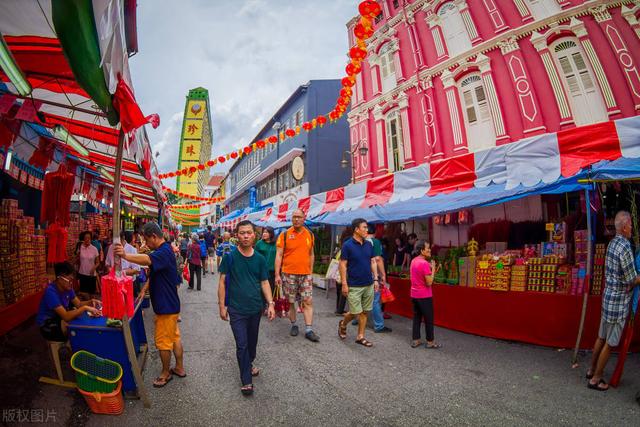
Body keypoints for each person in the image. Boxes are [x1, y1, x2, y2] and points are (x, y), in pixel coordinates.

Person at [114, 222, 184, 388]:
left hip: (166, 306)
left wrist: (125, 255)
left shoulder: (163, 252)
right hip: (171, 304)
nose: (145, 244)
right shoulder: (164, 250)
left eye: (146, 240)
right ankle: (179, 367)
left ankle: (165, 373)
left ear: (154, 236)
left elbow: (146, 259)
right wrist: (145, 288)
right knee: (174, 338)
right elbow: (154, 274)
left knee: (162, 342)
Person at [218, 220, 275, 396]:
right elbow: (222, 282)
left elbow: (265, 282)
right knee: (242, 344)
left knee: (252, 343)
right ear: (237, 235)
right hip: (236, 309)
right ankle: (246, 381)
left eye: (249, 233)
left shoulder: (259, 259)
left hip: (255, 308)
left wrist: (270, 303)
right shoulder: (230, 257)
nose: (245, 236)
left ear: (254, 235)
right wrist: (222, 305)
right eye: (242, 233)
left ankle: (248, 363)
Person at [587, 211, 640, 391]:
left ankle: (591, 369)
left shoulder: (612, 243)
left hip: (608, 297)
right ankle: (596, 379)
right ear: (624, 227)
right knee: (610, 343)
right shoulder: (624, 247)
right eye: (631, 225)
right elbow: (631, 279)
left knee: (601, 337)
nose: (632, 228)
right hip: (617, 302)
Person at [275, 209, 319, 342]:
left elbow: (311, 254)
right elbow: (279, 255)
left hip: (305, 274)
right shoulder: (284, 235)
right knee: (291, 301)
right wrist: (277, 274)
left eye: (299, 217)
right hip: (288, 273)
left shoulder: (310, 235)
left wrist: (310, 271)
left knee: (307, 301)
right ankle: (294, 324)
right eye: (294, 217)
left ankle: (309, 329)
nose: (296, 219)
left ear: (304, 218)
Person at [337, 218, 378, 347]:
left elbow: (373, 261)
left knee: (365, 311)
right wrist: (344, 284)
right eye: (364, 227)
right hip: (354, 284)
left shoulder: (368, 244)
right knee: (355, 312)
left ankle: (360, 336)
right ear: (356, 229)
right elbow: (343, 265)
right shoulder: (347, 245)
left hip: (368, 283)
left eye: (367, 228)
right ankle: (343, 324)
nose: (367, 230)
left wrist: (376, 279)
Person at [36, 261, 101, 341]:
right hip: (47, 324)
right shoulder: (50, 291)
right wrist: (85, 308)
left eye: (72, 281)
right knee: (72, 323)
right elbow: (66, 316)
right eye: (69, 280)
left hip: (58, 318)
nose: (71, 283)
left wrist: (91, 301)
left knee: (78, 316)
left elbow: (79, 304)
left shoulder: (68, 288)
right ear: (59, 278)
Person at [410, 241, 441, 349]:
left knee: (417, 317)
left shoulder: (414, 261)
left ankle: (416, 340)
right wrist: (432, 268)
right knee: (428, 318)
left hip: (414, 294)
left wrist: (433, 269)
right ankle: (430, 341)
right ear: (422, 251)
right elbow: (429, 282)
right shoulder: (424, 263)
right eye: (427, 248)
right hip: (424, 295)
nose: (429, 250)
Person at [367, 224, 391, 334]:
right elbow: (378, 259)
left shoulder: (359, 240)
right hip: (372, 274)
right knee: (375, 300)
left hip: (360, 273)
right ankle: (379, 325)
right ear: (375, 232)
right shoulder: (375, 242)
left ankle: (356, 319)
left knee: (361, 296)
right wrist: (383, 275)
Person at [77, 231, 100, 296]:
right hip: (82, 273)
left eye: (89, 238)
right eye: (86, 238)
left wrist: (94, 268)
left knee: (91, 294)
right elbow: (77, 259)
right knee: (84, 294)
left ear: (91, 239)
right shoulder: (80, 247)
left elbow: (98, 262)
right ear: (83, 239)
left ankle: (92, 305)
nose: (87, 240)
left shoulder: (94, 249)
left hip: (91, 275)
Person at [255, 227, 277, 293]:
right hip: (262, 269)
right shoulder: (259, 243)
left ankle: (271, 302)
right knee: (262, 288)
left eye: (266, 232)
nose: (264, 234)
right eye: (263, 232)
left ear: (271, 234)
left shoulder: (276, 244)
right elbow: (255, 256)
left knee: (273, 288)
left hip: (273, 270)